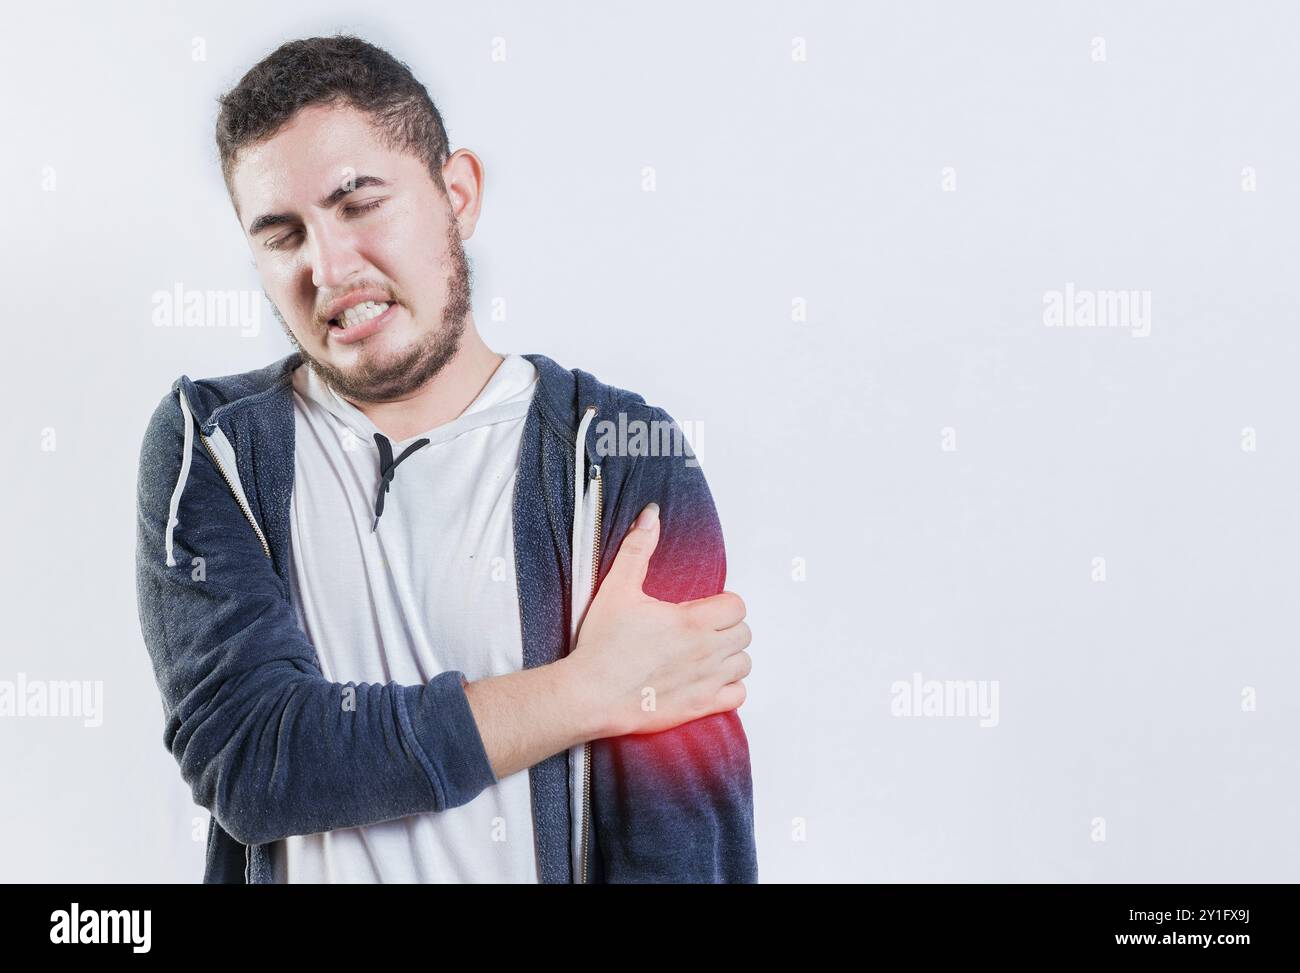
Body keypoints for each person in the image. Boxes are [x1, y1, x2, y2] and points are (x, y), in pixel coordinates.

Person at [133, 34, 756, 883]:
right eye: (283, 236)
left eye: (359, 204)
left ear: (456, 194)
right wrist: (586, 691)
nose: (328, 267)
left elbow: (682, 837)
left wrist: (616, 691)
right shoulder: (214, 444)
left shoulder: (616, 456)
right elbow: (256, 759)